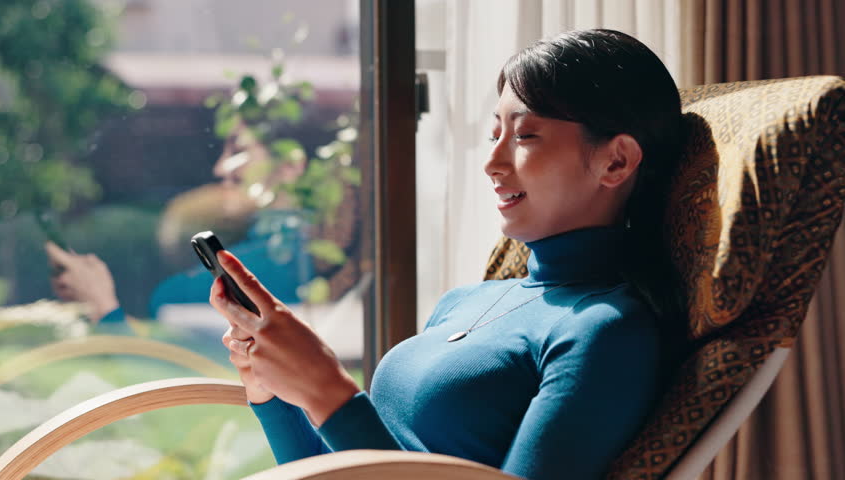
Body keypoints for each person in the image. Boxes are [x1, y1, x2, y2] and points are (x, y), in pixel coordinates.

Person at [212, 29, 687, 480]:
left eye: (523, 137)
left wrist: (329, 391)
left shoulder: (606, 329)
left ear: (616, 161)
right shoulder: (466, 300)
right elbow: (338, 471)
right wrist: (269, 388)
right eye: (494, 134)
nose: (491, 162)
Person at [45, 124, 314, 324]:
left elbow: (164, 380)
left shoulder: (185, 294)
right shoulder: (306, 256)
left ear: (289, 165)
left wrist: (101, 304)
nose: (220, 168)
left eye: (238, 150)